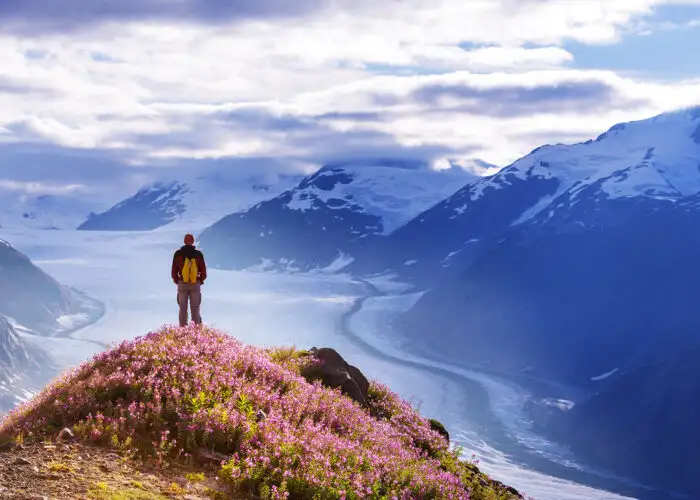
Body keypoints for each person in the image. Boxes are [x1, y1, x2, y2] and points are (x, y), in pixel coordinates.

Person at [171, 233, 207, 327]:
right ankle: (196, 331)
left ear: (184, 241)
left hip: (182, 283)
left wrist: (178, 281)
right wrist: (200, 280)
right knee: (195, 308)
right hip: (195, 283)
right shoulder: (198, 254)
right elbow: (203, 271)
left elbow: (173, 271)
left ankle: (183, 330)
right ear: (193, 241)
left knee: (183, 308)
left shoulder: (178, 254)